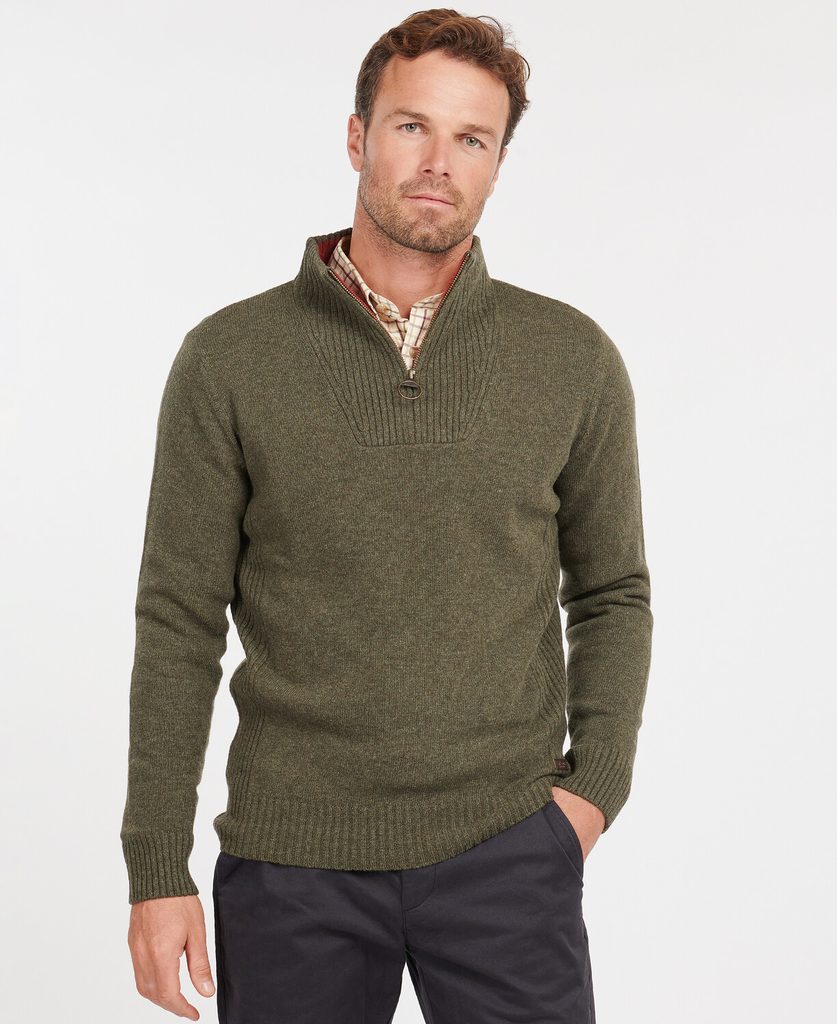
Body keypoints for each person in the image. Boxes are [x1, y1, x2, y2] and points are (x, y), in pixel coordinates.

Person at [121, 9, 653, 1023]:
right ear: (358, 136)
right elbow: (179, 618)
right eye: (412, 127)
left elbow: (613, 593)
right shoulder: (230, 358)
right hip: (290, 863)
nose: (439, 162)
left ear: (498, 163)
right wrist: (155, 864)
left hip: (508, 848)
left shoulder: (569, 357)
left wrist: (591, 794)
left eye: (472, 138)